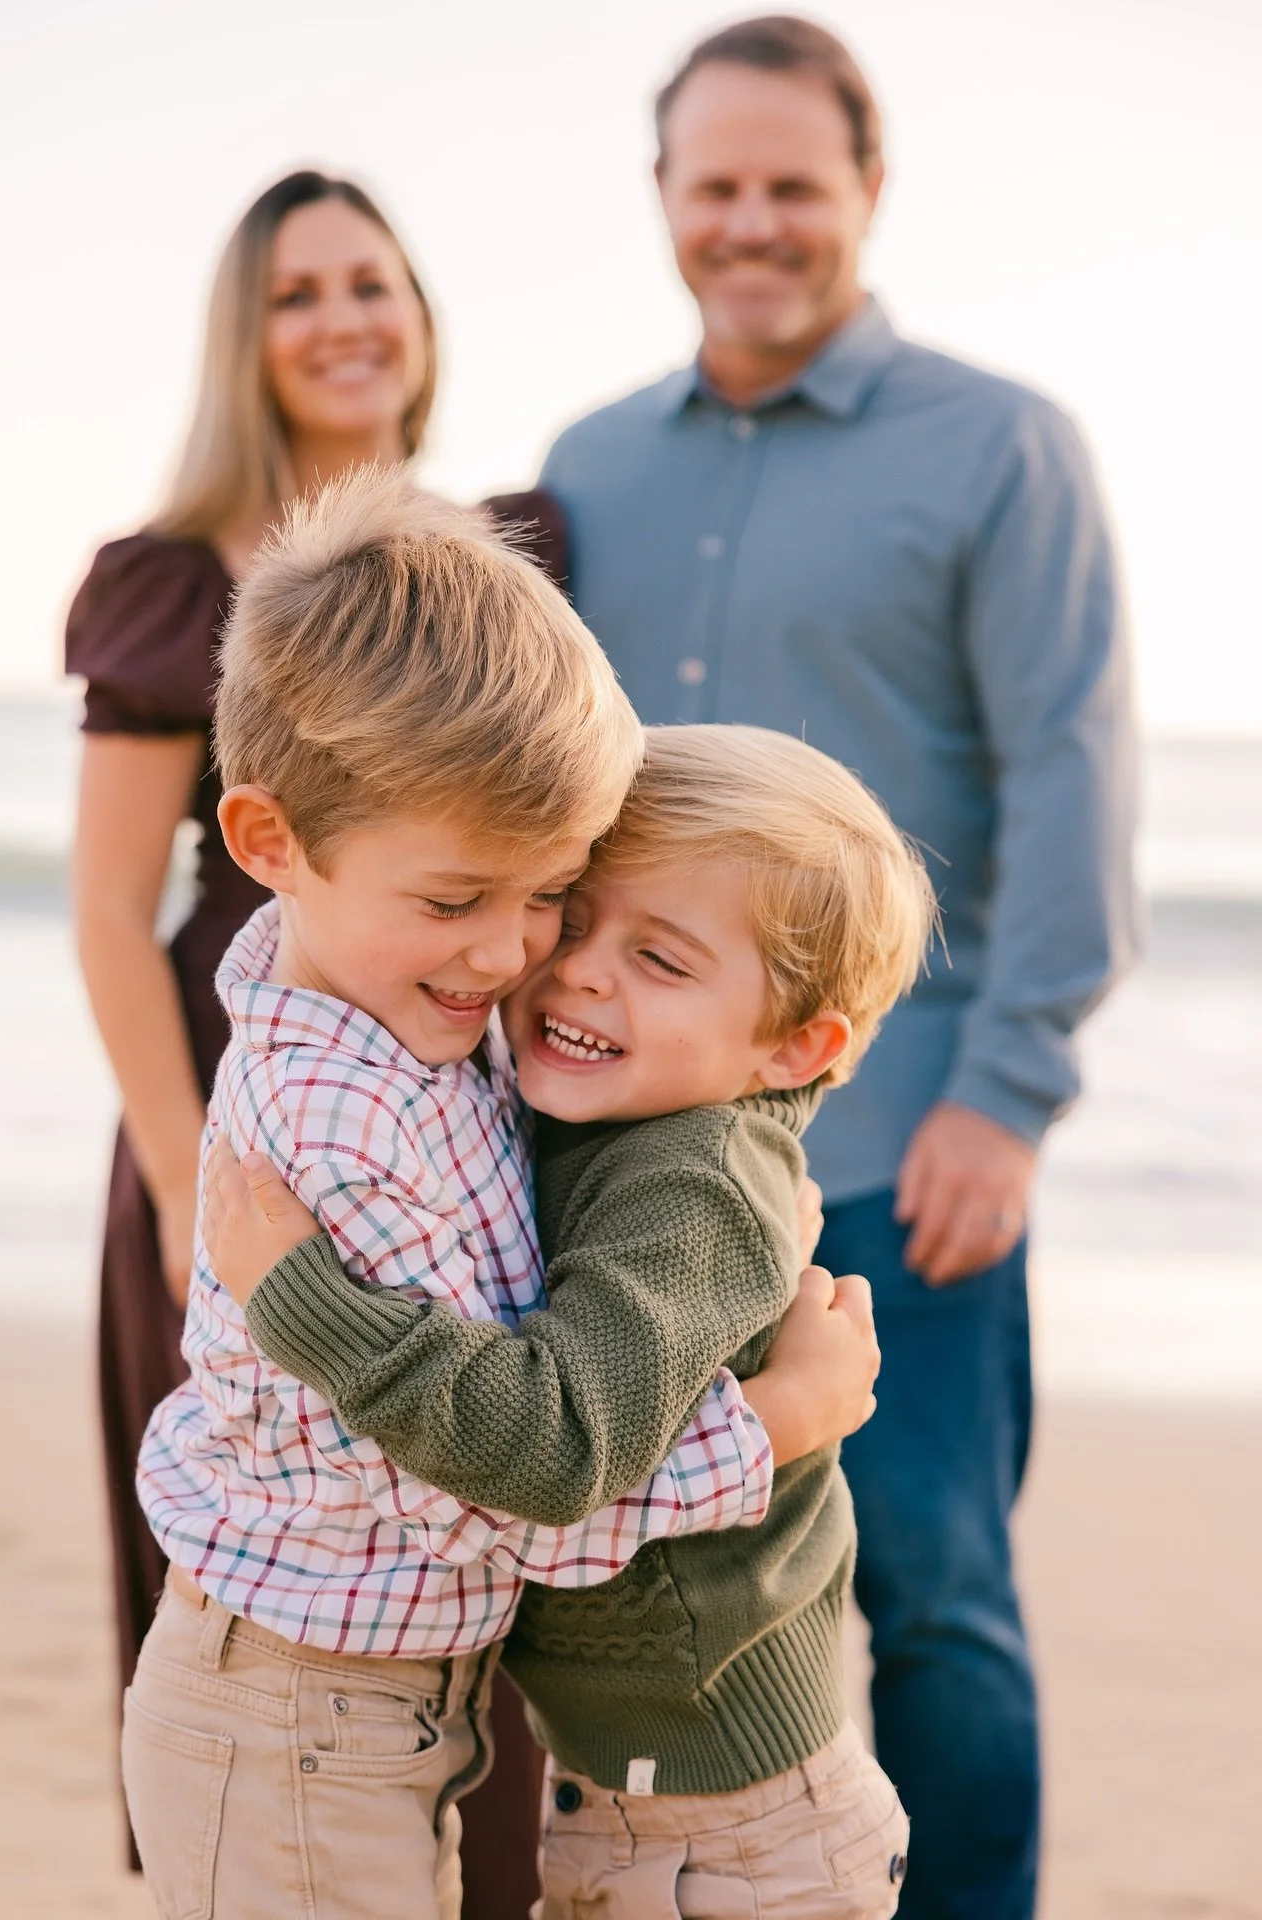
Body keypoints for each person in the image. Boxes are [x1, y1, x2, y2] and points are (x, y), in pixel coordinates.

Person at [528, 19, 1137, 1917]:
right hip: (632, 1160)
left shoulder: (1002, 447)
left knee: (933, 1597)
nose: (754, 222)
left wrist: (1008, 1094)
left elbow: (1073, 773)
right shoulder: (589, 464)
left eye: (794, 183)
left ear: (868, 189)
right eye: (716, 185)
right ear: (662, 202)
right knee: (651, 1595)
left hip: (900, 1142)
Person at [124, 470, 865, 1920]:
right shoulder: (351, 1129)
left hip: (355, 1704)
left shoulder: (381, 999)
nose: (513, 954)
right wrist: (778, 1422)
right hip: (292, 1717)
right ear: (268, 846)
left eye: (552, 893)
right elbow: (518, 1499)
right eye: (460, 900)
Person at [204, 723, 934, 1917]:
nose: (580, 970)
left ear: (794, 1045)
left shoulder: (691, 1189)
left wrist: (302, 1301)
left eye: (663, 958)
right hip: (645, 1797)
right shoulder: (593, 1106)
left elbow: (552, 1447)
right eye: (571, 910)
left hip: (734, 1839)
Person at [64, 168, 562, 1903]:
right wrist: (196, 1182)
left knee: (489, 1554)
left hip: (468, 1116)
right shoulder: (169, 583)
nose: (344, 318)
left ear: (420, 314)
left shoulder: (511, 554)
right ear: (246, 340)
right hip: (238, 1130)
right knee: (247, 1559)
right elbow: (114, 913)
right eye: (298, 294)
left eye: (374, 281)